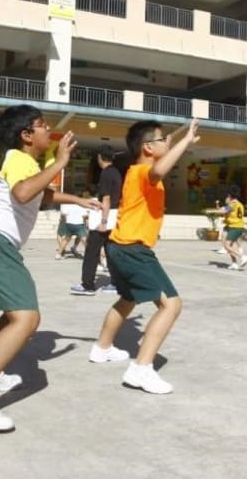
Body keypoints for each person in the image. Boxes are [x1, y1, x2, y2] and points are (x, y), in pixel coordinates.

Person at [0, 106, 97, 431]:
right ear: (26, 135)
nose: (49, 130)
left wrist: (77, 199)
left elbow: (42, 194)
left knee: (11, 316)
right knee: (28, 317)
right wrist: (60, 162)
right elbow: (22, 193)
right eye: (43, 125)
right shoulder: (18, 157)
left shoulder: (29, 163)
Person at [89, 118, 200, 394]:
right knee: (171, 305)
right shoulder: (143, 171)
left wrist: (170, 144)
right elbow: (159, 169)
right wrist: (185, 142)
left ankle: (101, 348)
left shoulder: (137, 170)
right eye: (162, 140)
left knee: (127, 299)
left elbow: (158, 164)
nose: (167, 143)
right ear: (148, 147)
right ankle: (140, 370)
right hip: (132, 249)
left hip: (117, 245)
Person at [71, 145, 122, 296]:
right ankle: (116, 283)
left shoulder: (106, 173)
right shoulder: (116, 172)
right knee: (110, 251)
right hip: (114, 216)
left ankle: (88, 285)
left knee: (92, 251)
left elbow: (106, 199)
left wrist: (103, 222)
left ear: (100, 157)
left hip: (105, 218)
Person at [216, 184, 247, 270]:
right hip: (230, 226)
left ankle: (242, 257)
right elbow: (225, 212)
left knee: (227, 246)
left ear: (230, 196)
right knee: (230, 244)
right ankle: (234, 263)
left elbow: (224, 211)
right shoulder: (239, 204)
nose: (226, 197)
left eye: (227, 196)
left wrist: (219, 208)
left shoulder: (233, 204)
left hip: (235, 227)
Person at [56, 195, 88, 259]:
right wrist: (85, 223)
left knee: (66, 239)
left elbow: (63, 214)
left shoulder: (68, 205)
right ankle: (90, 255)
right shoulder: (81, 205)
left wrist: (64, 222)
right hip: (79, 224)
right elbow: (85, 216)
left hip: (69, 224)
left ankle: (58, 254)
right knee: (84, 240)